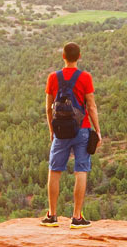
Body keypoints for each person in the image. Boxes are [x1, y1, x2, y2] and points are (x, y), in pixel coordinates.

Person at [42, 42, 102, 227]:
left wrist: (52, 131)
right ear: (79, 56)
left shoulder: (53, 77)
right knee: (81, 170)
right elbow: (91, 106)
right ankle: (76, 217)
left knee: (55, 170)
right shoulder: (85, 77)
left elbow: (48, 108)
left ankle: (52, 215)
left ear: (63, 56)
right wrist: (97, 131)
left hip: (60, 130)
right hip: (81, 129)